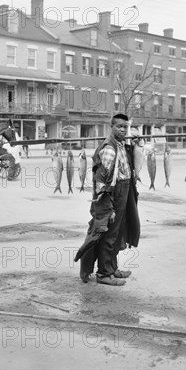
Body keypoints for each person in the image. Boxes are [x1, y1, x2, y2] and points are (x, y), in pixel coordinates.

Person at [77, 113, 140, 286]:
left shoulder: (120, 145)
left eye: (125, 127)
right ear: (111, 127)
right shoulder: (109, 148)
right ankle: (104, 274)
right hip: (113, 195)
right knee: (108, 235)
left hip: (124, 192)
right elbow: (100, 181)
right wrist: (108, 208)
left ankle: (112, 268)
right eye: (119, 126)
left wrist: (134, 145)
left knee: (118, 233)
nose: (122, 129)